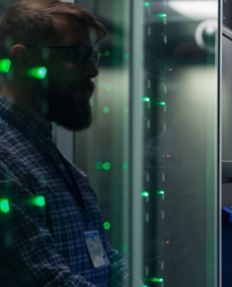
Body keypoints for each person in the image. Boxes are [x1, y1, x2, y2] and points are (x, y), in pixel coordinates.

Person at [0, 0, 126, 286]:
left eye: (93, 56)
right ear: (21, 60)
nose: (93, 70)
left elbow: (107, 260)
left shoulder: (58, 165)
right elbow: (48, 281)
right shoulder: (5, 161)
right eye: (78, 55)